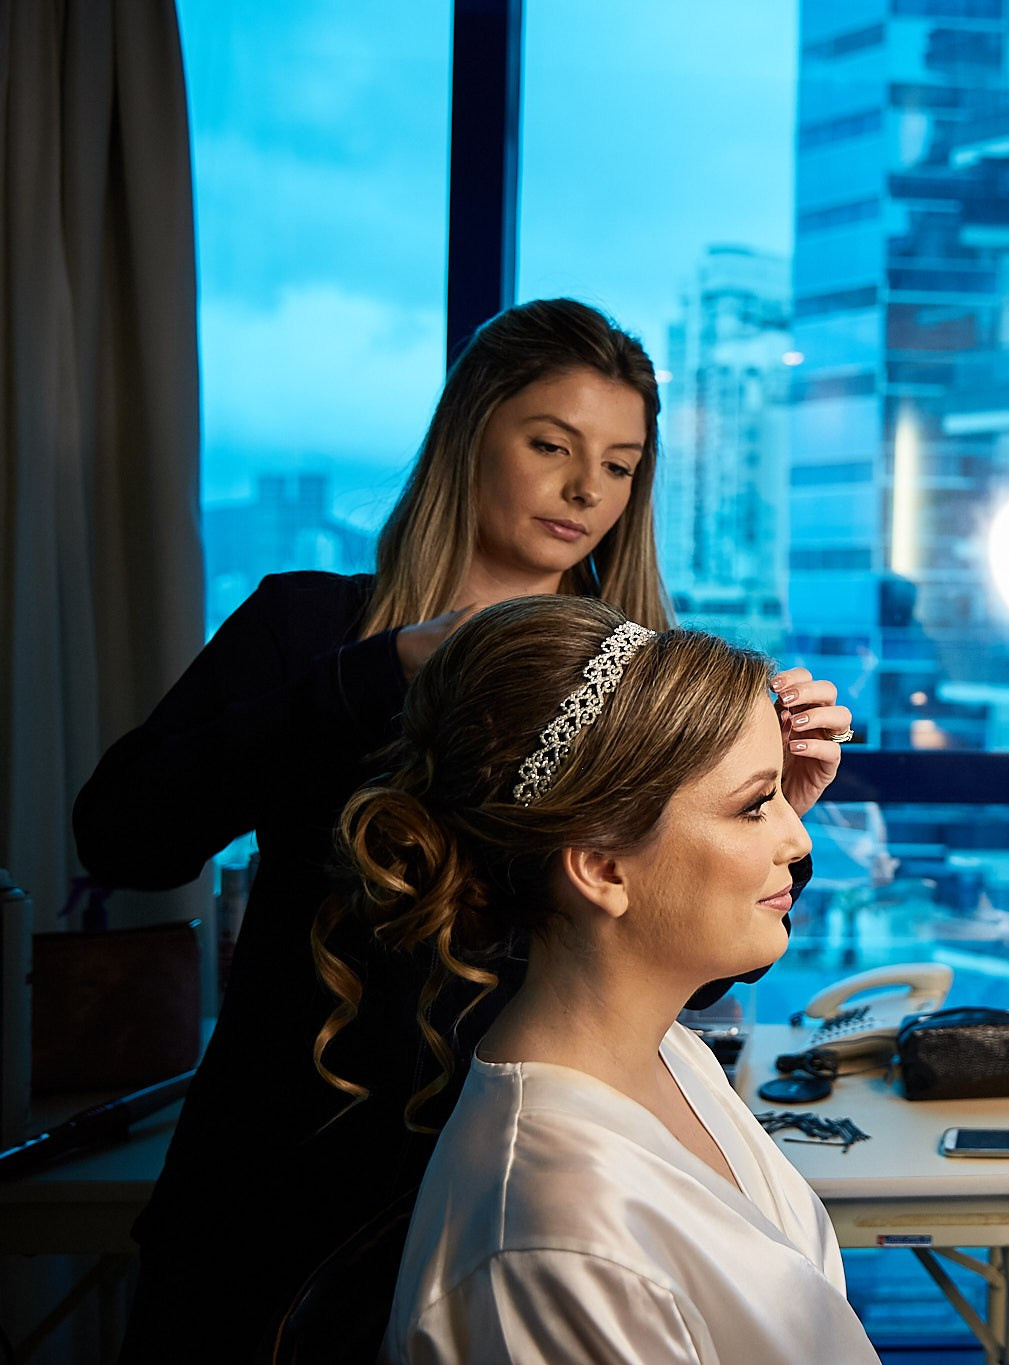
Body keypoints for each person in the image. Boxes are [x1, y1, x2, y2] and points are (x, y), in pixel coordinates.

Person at [69, 299, 854, 1361]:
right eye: (551, 445)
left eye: (621, 465)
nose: (587, 490)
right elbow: (123, 837)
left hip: (527, 1185)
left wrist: (770, 821)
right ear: (467, 436)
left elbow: (655, 965)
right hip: (278, 1190)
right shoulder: (314, 631)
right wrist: (371, 674)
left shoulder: (636, 690)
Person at [317, 596, 880, 1364]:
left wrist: (760, 798)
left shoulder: (668, 1054)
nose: (799, 837)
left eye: (782, 795)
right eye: (755, 805)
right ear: (602, 866)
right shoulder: (556, 1237)